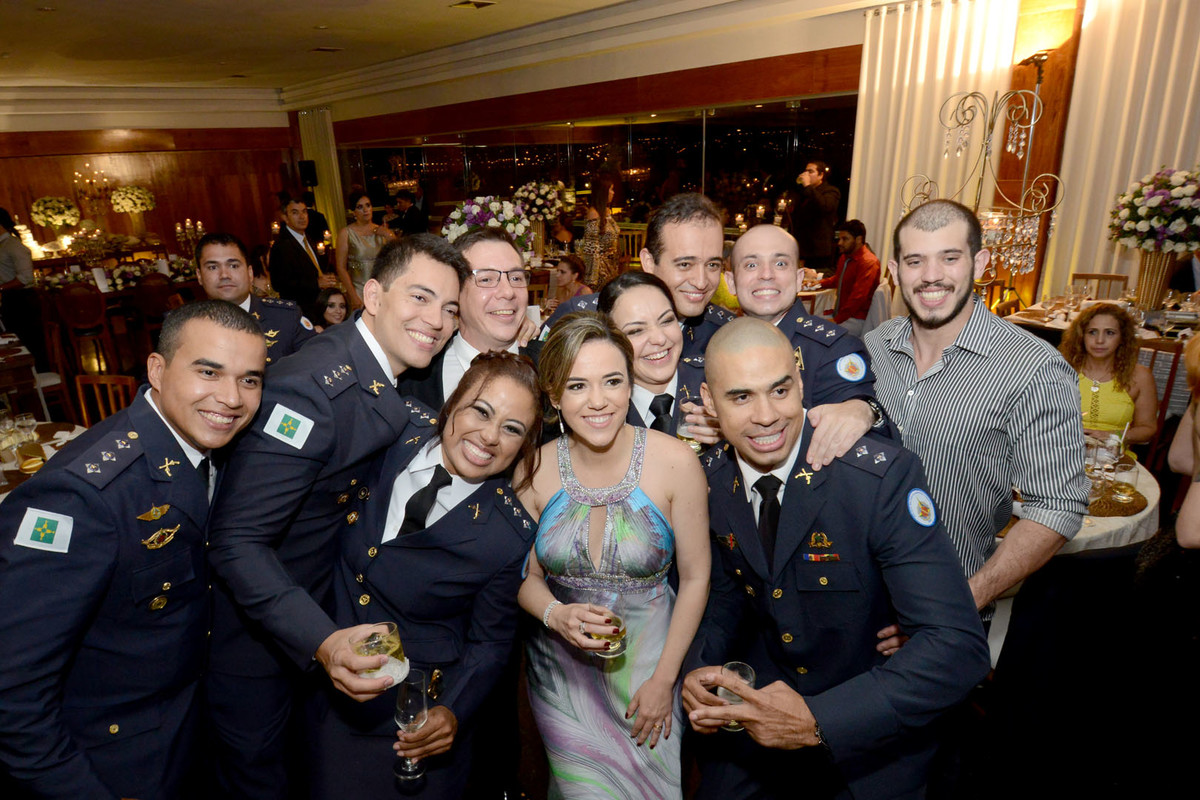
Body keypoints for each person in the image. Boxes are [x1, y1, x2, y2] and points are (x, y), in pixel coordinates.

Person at [204, 234, 470, 799]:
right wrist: (321, 641)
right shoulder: (312, 390)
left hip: (312, 619)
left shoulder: (371, 371)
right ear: (372, 295)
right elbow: (236, 541)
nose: (437, 320)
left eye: (450, 308)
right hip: (259, 642)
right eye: (420, 298)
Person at [680, 318, 990, 800]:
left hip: (869, 734)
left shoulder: (877, 480)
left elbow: (957, 646)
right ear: (709, 400)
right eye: (741, 397)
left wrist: (819, 721)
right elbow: (726, 596)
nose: (767, 416)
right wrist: (699, 667)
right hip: (760, 720)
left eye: (780, 390)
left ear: (801, 382)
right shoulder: (712, 479)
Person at [0, 300, 266, 800]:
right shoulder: (80, 497)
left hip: (191, 725)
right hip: (114, 760)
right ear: (157, 371)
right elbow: (12, 691)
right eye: (208, 372)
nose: (231, 398)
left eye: (249, 379)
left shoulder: (213, 447)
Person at [310, 353, 543, 799]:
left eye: (512, 429)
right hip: (317, 687)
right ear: (452, 403)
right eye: (481, 411)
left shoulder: (506, 534)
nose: (490, 437)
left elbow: (491, 643)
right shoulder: (390, 432)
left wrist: (453, 710)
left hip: (406, 716)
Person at [516, 312, 710, 798]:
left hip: (652, 669)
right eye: (577, 385)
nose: (598, 401)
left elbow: (696, 578)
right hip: (562, 678)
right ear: (554, 396)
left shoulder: (676, 461)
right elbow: (524, 578)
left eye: (612, 381)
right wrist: (556, 614)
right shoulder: (533, 469)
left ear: (631, 384)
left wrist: (664, 680)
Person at [864, 199, 1088, 619]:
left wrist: (959, 604)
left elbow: (1058, 505)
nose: (931, 275)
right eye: (915, 261)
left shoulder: (1033, 367)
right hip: (853, 597)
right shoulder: (874, 346)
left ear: (980, 263)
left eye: (949, 258)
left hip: (949, 606)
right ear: (895, 271)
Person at [725, 224, 890, 464]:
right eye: (751, 265)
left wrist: (863, 409)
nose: (766, 274)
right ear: (731, 282)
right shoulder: (716, 345)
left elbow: (872, 446)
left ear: (799, 279)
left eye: (780, 263)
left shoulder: (833, 350)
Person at [543, 192, 734, 362]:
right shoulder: (579, 317)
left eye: (712, 265)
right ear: (649, 262)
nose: (701, 282)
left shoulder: (727, 334)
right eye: (685, 264)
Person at [399, 227, 535, 409]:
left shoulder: (555, 371)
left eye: (516, 278)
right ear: (456, 291)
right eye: (486, 279)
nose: (508, 292)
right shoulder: (411, 377)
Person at [598, 271, 717, 444]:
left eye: (667, 320)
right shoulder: (599, 407)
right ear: (609, 340)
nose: (659, 339)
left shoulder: (717, 384)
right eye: (636, 330)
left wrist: (733, 437)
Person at [195, 232, 315, 366]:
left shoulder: (286, 318)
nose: (224, 275)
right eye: (212, 267)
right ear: (199, 276)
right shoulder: (187, 327)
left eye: (233, 266)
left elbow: (316, 366)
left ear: (250, 273)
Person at [1058, 302, 1157, 447]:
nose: (1100, 340)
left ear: (1122, 338)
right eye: (1092, 332)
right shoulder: (1061, 370)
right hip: (1063, 451)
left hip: (1111, 456)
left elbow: (1148, 429)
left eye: (1110, 333)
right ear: (1081, 336)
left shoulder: (1140, 376)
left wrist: (1114, 436)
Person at [269, 193, 338, 311]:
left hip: (318, 305)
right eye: (295, 213)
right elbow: (279, 284)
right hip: (299, 310)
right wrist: (316, 283)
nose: (302, 217)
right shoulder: (281, 245)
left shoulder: (308, 239)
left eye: (304, 212)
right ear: (285, 217)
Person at [813, 219, 880, 336]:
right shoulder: (845, 257)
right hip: (842, 314)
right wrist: (818, 283)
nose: (840, 243)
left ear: (858, 239)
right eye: (840, 238)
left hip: (857, 319)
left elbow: (858, 298)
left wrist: (836, 320)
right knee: (808, 322)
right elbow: (837, 280)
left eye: (845, 239)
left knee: (814, 331)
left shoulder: (868, 262)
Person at [335, 189, 394, 309]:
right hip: (358, 291)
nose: (365, 210)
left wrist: (389, 235)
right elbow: (341, 268)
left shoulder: (381, 231)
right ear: (353, 212)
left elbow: (398, 257)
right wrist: (353, 296)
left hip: (381, 289)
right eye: (360, 207)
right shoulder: (346, 233)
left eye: (368, 205)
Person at [0, 207, 41, 368]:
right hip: (11, 299)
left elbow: (26, 278)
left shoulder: (12, 245)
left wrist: (1, 288)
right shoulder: (4, 245)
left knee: (29, 342)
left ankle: (37, 374)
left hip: (22, 300)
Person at [791, 160, 840, 273]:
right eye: (806, 171)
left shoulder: (831, 191)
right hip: (802, 247)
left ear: (821, 175)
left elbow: (825, 206)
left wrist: (808, 186)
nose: (807, 174)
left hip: (818, 250)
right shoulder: (805, 192)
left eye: (811, 172)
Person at [579, 175, 620, 287]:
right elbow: (591, 246)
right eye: (611, 189)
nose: (613, 193)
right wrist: (592, 278)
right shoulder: (593, 213)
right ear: (603, 192)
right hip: (600, 271)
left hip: (612, 266)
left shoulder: (606, 212)